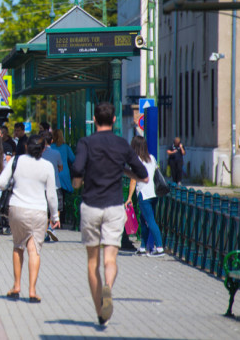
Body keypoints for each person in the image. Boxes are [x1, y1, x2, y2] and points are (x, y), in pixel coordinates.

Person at [71, 102, 148, 326]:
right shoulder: (122, 144)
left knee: (92, 262)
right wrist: (123, 169)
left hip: (91, 206)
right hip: (114, 207)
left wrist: (78, 180)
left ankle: (100, 313)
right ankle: (109, 288)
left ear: (94, 120)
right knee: (110, 258)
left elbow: (77, 168)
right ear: (114, 120)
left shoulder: (86, 142)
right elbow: (142, 172)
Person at [0, 134, 59, 302]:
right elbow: (51, 195)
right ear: (43, 148)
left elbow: (1, 183)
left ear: (26, 147)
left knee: (18, 247)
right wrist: (55, 216)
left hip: (17, 209)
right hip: (39, 211)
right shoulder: (47, 166)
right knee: (34, 250)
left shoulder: (16, 161)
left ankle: (16, 286)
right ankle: (32, 291)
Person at [126, 136, 165, 257]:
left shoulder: (136, 161)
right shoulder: (151, 158)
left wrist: (129, 198)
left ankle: (159, 248)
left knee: (150, 221)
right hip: (154, 194)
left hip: (144, 194)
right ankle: (143, 247)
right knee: (144, 220)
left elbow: (133, 181)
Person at [40, 131, 63, 242]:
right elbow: (61, 167)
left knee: (44, 209)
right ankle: (52, 227)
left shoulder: (39, 153)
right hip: (55, 185)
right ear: (52, 141)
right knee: (56, 207)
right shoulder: (57, 153)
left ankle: (44, 231)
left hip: (41, 186)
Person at [51, 129, 76, 224]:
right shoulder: (66, 147)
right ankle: (63, 218)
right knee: (63, 198)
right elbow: (73, 159)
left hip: (54, 173)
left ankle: (53, 218)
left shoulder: (51, 147)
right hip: (64, 173)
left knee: (54, 196)